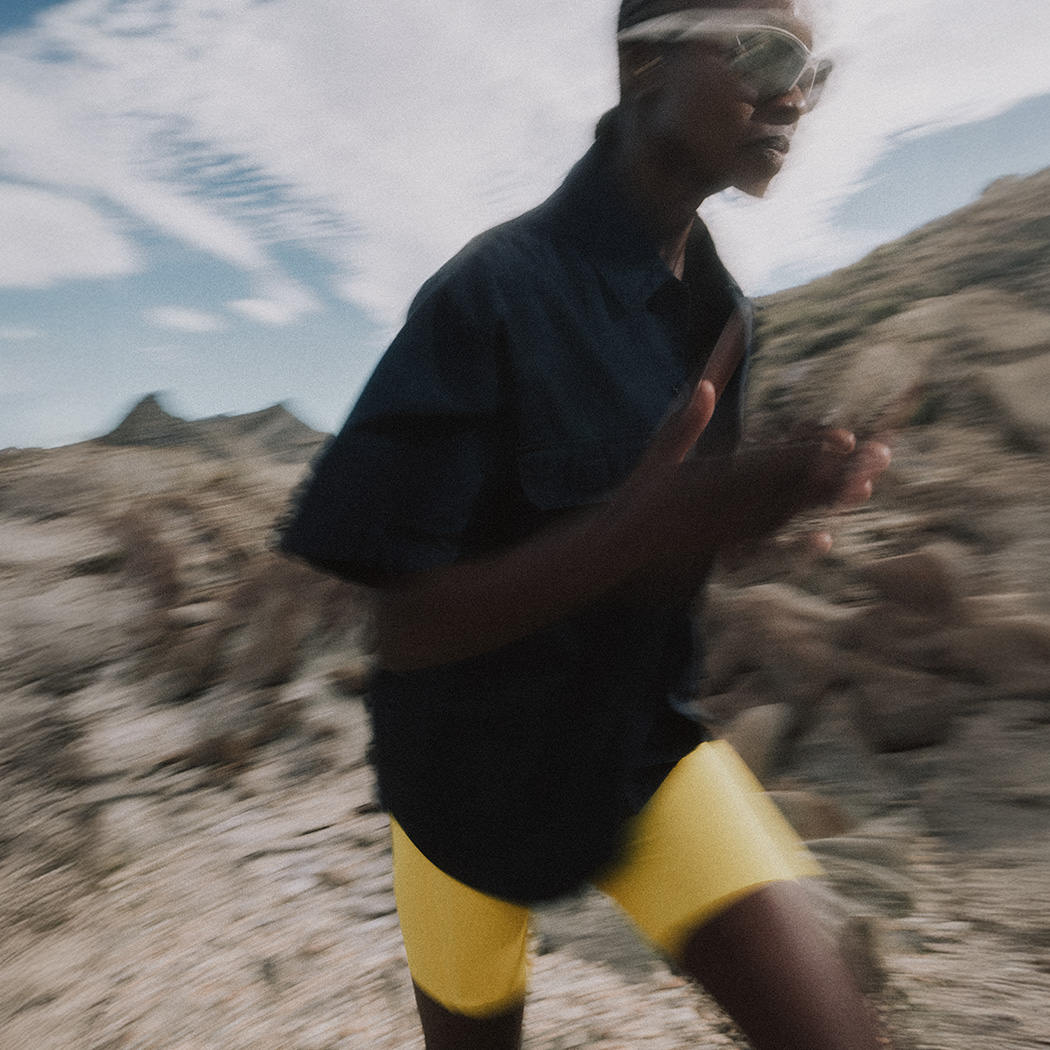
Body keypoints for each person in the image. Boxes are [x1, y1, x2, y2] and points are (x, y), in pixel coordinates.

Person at [280, 1, 894, 1047]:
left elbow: (660, 550)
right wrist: (636, 531)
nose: (794, 95)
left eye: (812, 70)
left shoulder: (724, 317)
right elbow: (402, 628)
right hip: (462, 788)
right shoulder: (486, 294)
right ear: (644, 63)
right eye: (765, 53)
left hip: (638, 753)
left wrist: (750, 515)